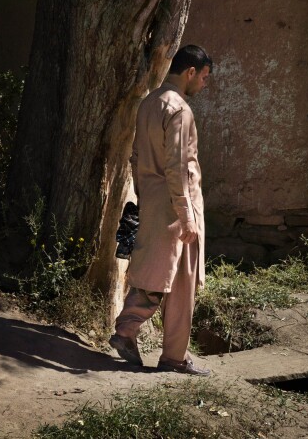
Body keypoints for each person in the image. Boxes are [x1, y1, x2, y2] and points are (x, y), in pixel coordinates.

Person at [109, 44, 212, 375]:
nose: (204, 85)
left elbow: (136, 156)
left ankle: (161, 350)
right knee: (177, 281)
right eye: (204, 77)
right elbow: (178, 167)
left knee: (155, 272)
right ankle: (162, 351)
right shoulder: (179, 109)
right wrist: (187, 216)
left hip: (153, 201)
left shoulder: (149, 103)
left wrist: (145, 195)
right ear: (190, 72)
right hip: (177, 207)